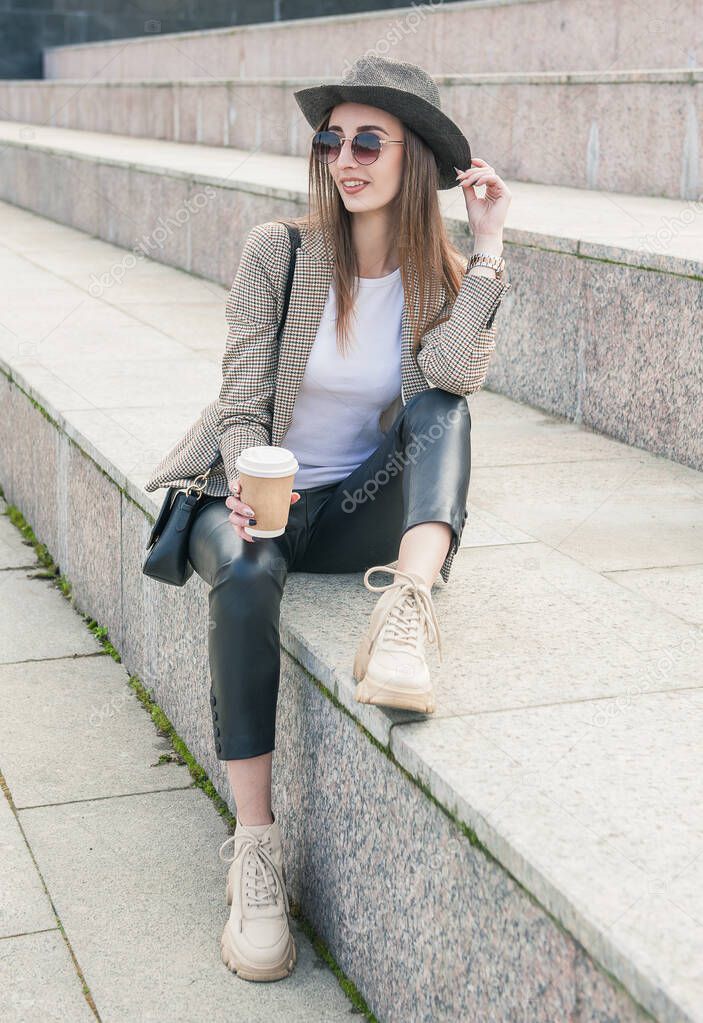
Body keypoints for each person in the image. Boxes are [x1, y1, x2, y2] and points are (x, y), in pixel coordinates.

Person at [144, 55, 512, 983]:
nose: (342, 158)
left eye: (365, 141)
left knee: (445, 408)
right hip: (250, 494)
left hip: (354, 512)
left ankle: (405, 612)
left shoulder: (437, 275)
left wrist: (492, 244)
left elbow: (454, 380)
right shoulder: (283, 250)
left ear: (412, 157)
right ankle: (256, 851)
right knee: (244, 576)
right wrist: (242, 480)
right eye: (329, 139)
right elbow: (236, 398)